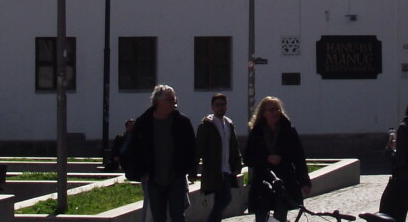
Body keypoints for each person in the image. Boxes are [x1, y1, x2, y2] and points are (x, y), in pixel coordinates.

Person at [124, 84, 196, 222]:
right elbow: (135, 151)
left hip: (176, 177)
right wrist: (143, 172)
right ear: (158, 102)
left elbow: (191, 148)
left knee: (178, 214)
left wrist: (184, 170)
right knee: (158, 216)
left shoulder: (182, 122)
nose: (174, 103)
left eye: (174, 99)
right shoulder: (144, 123)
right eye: (169, 100)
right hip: (154, 179)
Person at [245, 96, 311, 222]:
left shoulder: (289, 130)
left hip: (283, 181)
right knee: (261, 217)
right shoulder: (256, 132)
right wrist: (266, 158)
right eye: (271, 110)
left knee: (280, 215)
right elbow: (248, 158)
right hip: (262, 182)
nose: (275, 112)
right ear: (264, 113)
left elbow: (299, 157)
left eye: (277, 109)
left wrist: (304, 182)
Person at [195, 93, 242, 222]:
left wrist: (237, 165)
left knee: (221, 199)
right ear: (212, 107)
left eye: (222, 105)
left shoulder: (229, 124)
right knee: (225, 198)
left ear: (226, 106)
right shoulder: (206, 126)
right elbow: (198, 148)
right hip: (214, 170)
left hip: (227, 169)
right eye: (217, 105)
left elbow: (234, 146)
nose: (220, 107)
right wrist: (192, 171)